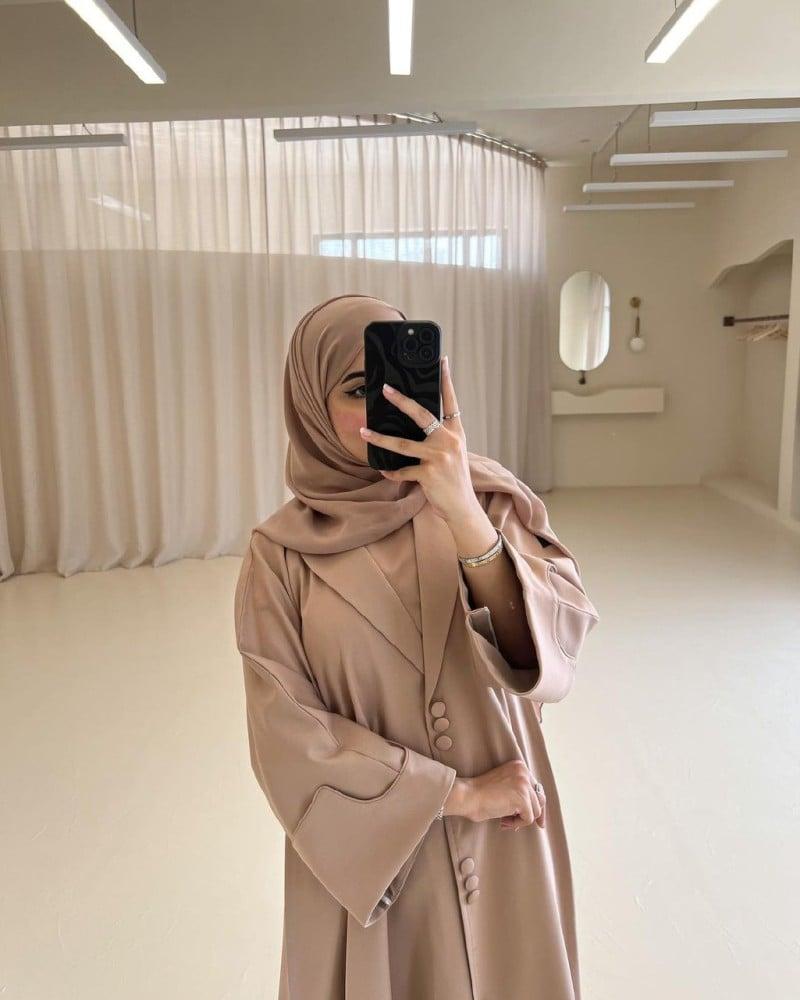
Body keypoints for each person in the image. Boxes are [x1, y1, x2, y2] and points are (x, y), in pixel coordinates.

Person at [233, 293, 600, 999]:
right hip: (374, 867)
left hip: (506, 845)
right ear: (310, 407)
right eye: (357, 389)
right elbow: (285, 735)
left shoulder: (492, 503)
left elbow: (555, 652)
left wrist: (463, 515)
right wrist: (456, 796)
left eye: (405, 383)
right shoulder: (279, 557)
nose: (387, 405)